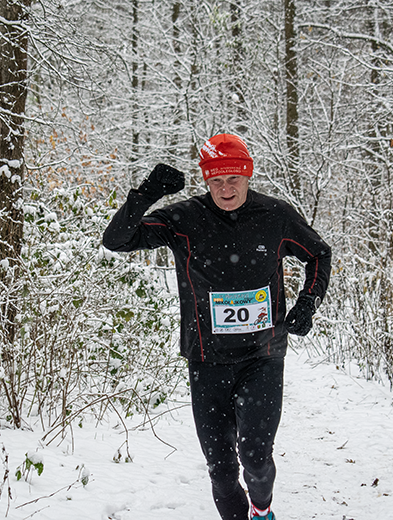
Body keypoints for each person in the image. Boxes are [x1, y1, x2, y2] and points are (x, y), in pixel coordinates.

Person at [102, 133, 332, 520]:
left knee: (256, 458)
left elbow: (319, 254)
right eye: (216, 181)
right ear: (206, 182)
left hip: (263, 355)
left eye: (234, 180)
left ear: (247, 177)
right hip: (206, 359)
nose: (226, 189)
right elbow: (116, 240)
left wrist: (308, 302)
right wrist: (146, 193)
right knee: (222, 468)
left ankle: (261, 508)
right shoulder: (185, 218)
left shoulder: (276, 216)